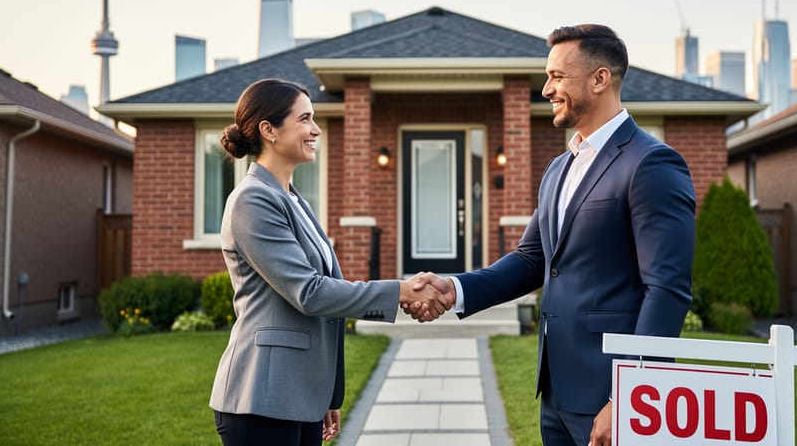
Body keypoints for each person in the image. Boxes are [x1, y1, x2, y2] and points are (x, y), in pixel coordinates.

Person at [408, 24, 696, 446]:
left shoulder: (651, 164)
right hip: (557, 390)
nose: (546, 89)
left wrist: (633, 394)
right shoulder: (558, 169)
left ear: (600, 79)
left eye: (557, 76)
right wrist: (454, 288)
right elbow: (531, 260)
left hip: (612, 393)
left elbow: (667, 288)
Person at [209, 78, 451, 446]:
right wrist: (401, 290)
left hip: (299, 393)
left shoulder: (292, 198)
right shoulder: (252, 200)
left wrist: (325, 394)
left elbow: (324, 302)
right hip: (260, 397)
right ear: (268, 130)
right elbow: (309, 292)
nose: (316, 129)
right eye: (305, 119)